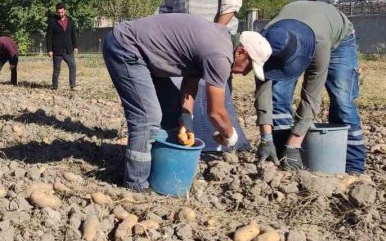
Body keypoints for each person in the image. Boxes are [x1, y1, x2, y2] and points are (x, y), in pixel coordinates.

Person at [102, 13, 271, 192]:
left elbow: (190, 82)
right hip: (126, 47)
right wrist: (231, 136)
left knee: (171, 110)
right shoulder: (221, 55)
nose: (245, 73)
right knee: (148, 117)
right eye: (249, 66)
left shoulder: (219, 41)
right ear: (241, 52)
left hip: (142, 52)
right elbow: (216, 112)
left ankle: (163, 168)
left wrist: (186, 118)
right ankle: (136, 184)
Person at [160, 0, 248, 151]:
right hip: (184, 45)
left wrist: (213, 38)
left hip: (217, 42)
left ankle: (221, 146)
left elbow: (230, 4)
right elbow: (166, 8)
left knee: (216, 95)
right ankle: (191, 140)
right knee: (186, 90)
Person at [253, 1, 365, 174]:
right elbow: (263, 90)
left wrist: (294, 144)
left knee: (342, 101)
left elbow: (311, 95)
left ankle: (353, 167)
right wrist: (265, 138)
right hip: (295, 32)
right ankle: (281, 155)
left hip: (337, 39)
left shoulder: (320, 43)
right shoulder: (268, 40)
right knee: (277, 94)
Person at [46, 3, 78, 90]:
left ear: (65, 11)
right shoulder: (52, 21)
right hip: (57, 49)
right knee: (57, 69)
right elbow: (49, 36)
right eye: (58, 12)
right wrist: (49, 50)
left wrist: (75, 46)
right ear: (56, 12)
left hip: (68, 49)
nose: (60, 14)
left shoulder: (70, 20)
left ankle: (73, 86)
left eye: (62, 12)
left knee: (72, 66)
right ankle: (55, 86)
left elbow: (73, 34)